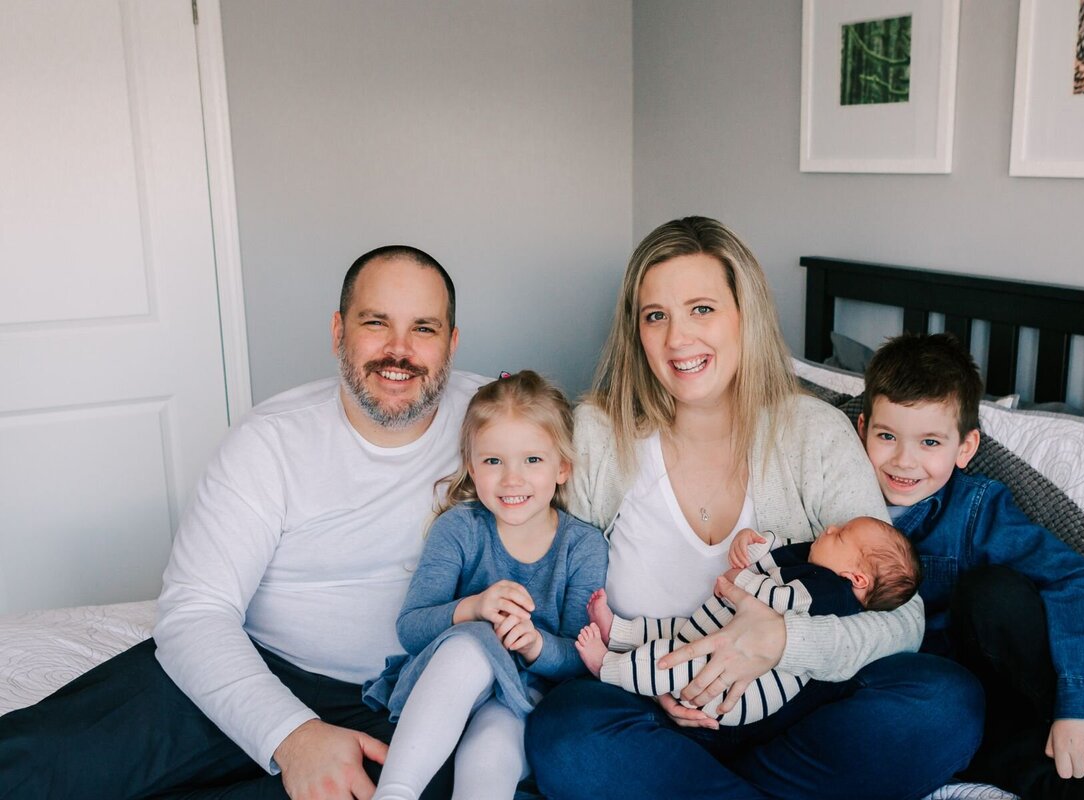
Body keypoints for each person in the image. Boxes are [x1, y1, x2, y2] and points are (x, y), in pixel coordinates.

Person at [0, 245, 488, 799]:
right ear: (338, 332)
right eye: (375, 322)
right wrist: (295, 736)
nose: (398, 351)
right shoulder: (269, 442)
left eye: (423, 328)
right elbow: (196, 612)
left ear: (451, 342)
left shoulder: (497, 425)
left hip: (409, 704)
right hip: (252, 665)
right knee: (36, 764)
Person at [525, 216, 984, 800]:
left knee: (945, 700)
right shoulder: (595, 435)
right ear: (635, 331)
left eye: (702, 309)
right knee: (565, 733)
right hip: (653, 710)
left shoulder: (814, 431)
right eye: (656, 315)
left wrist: (783, 642)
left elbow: (902, 620)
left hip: (791, 707)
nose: (678, 339)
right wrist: (655, 681)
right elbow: (564, 609)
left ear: (746, 316)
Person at [857, 332, 1084, 799]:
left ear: (965, 448)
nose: (903, 461)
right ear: (862, 430)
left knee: (993, 592)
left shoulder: (976, 509)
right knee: (1031, 760)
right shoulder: (833, 501)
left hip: (1006, 682)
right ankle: (1081, 760)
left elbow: (1077, 580)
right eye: (887, 436)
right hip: (937, 703)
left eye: (930, 441)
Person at [363, 370, 607, 800]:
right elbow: (411, 628)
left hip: (525, 701)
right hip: (448, 684)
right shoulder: (459, 528)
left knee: (492, 745)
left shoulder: (582, 546)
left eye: (532, 460)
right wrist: (472, 608)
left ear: (562, 467)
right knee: (472, 642)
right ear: (473, 468)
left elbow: (580, 657)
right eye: (494, 461)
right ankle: (394, 793)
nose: (512, 479)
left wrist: (534, 645)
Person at [575, 516, 920, 726]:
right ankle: (618, 631)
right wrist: (753, 543)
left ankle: (609, 667)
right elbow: (779, 550)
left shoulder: (832, 593)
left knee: (672, 657)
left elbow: (779, 597)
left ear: (856, 578)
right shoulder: (819, 563)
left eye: (840, 535)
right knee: (675, 630)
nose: (830, 527)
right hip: (712, 632)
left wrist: (741, 579)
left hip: (734, 690)